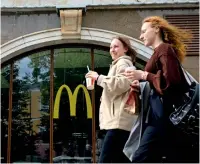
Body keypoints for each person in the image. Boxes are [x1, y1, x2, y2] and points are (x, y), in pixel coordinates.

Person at [123, 16, 198, 163]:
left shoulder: (164, 49)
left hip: (165, 116)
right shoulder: (160, 51)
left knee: (141, 157)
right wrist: (141, 84)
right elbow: (161, 81)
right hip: (163, 116)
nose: (141, 35)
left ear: (156, 29)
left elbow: (171, 82)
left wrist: (143, 75)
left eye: (144, 31)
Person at [85, 36, 139, 163]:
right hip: (120, 123)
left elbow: (121, 84)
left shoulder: (123, 63)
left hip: (118, 124)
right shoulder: (118, 64)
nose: (112, 50)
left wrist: (98, 78)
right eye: (110, 47)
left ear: (125, 49)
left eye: (116, 46)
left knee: (105, 160)